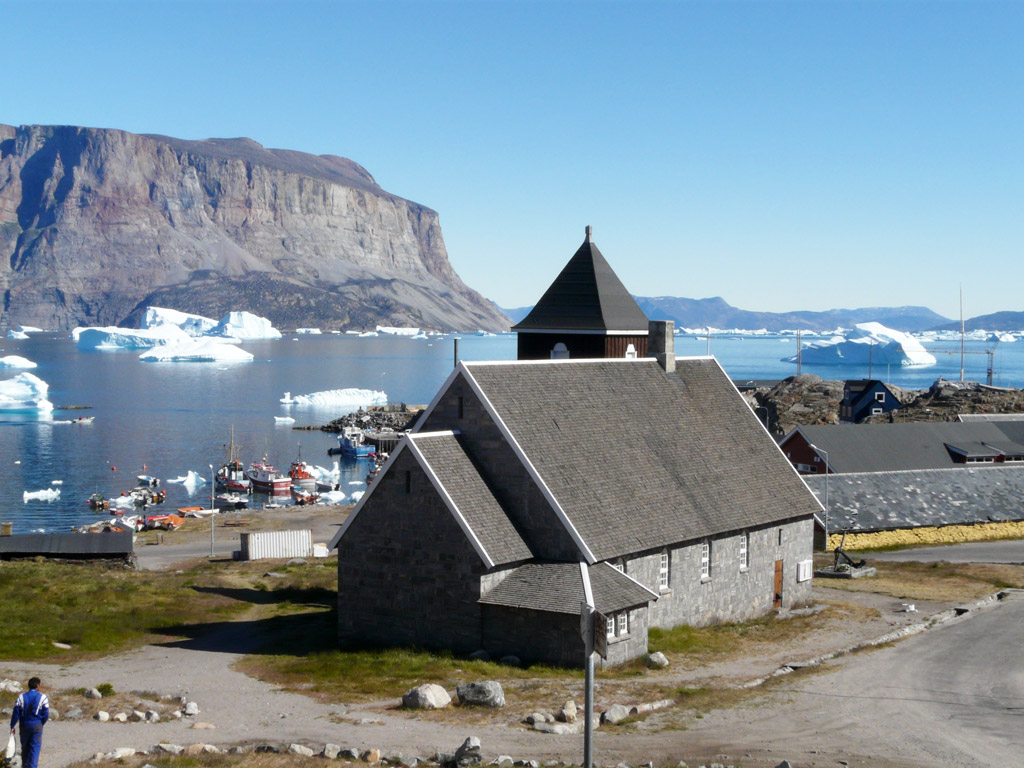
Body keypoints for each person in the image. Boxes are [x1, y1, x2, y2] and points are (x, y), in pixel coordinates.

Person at [9, 677, 48, 768]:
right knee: (34, 749)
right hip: (37, 725)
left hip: (24, 725)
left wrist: (12, 726)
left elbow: (16, 713)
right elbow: (46, 713)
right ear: (38, 686)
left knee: (25, 748)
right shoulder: (42, 697)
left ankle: (25, 765)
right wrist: (41, 722)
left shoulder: (21, 697)